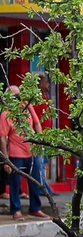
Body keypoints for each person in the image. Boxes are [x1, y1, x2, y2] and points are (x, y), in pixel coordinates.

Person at [0, 85, 48, 219]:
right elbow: (3, 138)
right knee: (15, 183)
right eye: (14, 97)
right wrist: (6, 160)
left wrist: (40, 143)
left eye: (18, 96)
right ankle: (16, 210)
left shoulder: (26, 107)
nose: (17, 99)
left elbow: (37, 124)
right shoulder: (6, 114)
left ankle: (35, 208)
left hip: (32, 152)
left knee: (36, 181)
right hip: (15, 154)